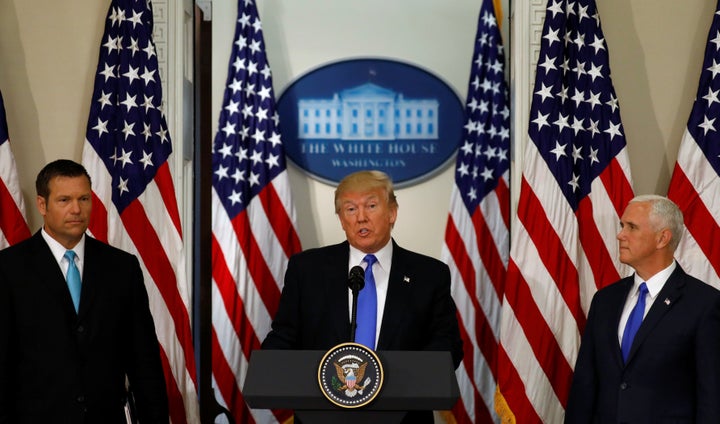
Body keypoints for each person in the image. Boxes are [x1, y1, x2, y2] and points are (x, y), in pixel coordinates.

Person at [262, 170, 463, 423]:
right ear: (341, 219)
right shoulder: (307, 270)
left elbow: (447, 345)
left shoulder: (428, 275)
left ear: (392, 213)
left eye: (370, 205)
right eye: (350, 209)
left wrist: (406, 376)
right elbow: (284, 336)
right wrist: (270, 366)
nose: (361, 218)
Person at [0, 159, 169, 423]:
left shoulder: (122, 268)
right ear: (42, 204)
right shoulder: (8, 269)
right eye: (64, 200)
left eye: (84, 198)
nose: (76, 209)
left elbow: (143, 361)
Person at [565, 194, 720, 423]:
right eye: (621, 225)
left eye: (632, 227)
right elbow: (585, 386)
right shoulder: (605, 300)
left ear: (662, 238)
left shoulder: (704, 304)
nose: (620, 235)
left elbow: (712, 398)